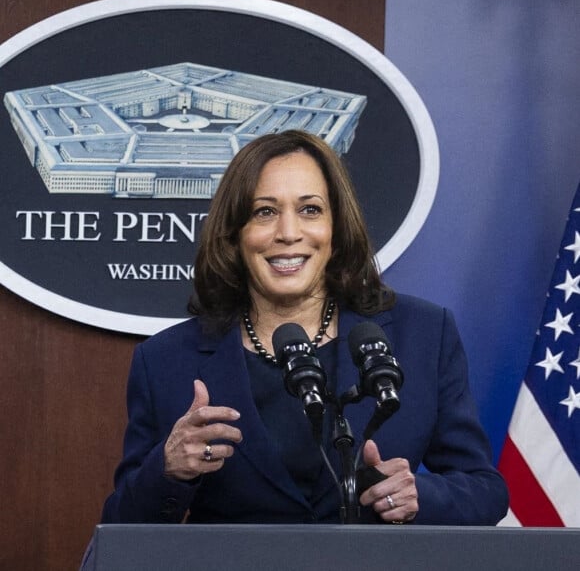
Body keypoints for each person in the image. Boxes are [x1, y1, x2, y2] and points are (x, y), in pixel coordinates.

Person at [100, 129, 508, 526]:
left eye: (310, 209)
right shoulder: (167, 360)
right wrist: (169, 469)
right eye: (265, 212)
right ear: (235, 234)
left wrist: (420, 495)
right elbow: (120, 526)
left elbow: (485, 491)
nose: (289, 233)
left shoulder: (422, 334)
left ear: (336, 228)